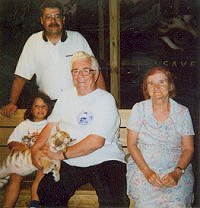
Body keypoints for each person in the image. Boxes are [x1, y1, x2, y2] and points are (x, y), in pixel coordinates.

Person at [31, 51, 130, 207]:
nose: (80, 75)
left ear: (95, 74)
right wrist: (35, 149)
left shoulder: (105, 99)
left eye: (86, 70)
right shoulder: (65, 97)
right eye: (75, 71)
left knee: (114, 201)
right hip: (72, 160)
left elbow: (96, 142)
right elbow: (51, 125)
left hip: (104, 158)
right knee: (47, 190)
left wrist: (61, 154)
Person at [0, 0, 106, 117]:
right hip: (47, 107)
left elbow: (95, 71)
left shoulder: (77, 39)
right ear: (42, 20)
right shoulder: (33, 41)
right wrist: (12, 102)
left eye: (57, 16)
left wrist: (104, 99)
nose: (53, 21)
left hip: (77, 103)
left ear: (63, 20)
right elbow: (21, 76)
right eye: (48, 17)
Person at [126, 67, 194, 207]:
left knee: (178, 203)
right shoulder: (139, 109)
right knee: (147, 203)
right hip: (143, 165)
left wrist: (177, 172)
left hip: (176, 166)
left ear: (170, 86)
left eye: (161, 82)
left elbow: (188, 148)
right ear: (146, 88)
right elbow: (131, 145)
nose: (156, 87)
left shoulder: (182, 112)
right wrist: (147, 172)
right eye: (151, 83)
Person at [3, 92, 53, 208]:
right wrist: (18, 145)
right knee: (14, 177)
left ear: (48, 109)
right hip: (24, 163)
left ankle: (34, 204)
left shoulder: (50, 125)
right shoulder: (24, 125)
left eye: (44, 106)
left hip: (41, 162)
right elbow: (11, 142)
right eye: (36, 106)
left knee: (42, 174)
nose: (40, 109)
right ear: (31, 109)